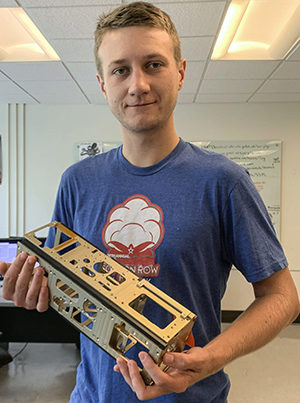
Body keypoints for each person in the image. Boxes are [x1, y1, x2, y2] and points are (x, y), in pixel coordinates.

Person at [0, 2, 299, 402]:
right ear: (104, 83)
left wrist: (211, 358)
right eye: (120, 69)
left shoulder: (224, 181)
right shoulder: (77, 181)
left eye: (154, 64)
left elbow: (282, 297)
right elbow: (66, 289)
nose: (137, 84)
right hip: (93, 396)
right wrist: (31, 291)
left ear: (180, 72)